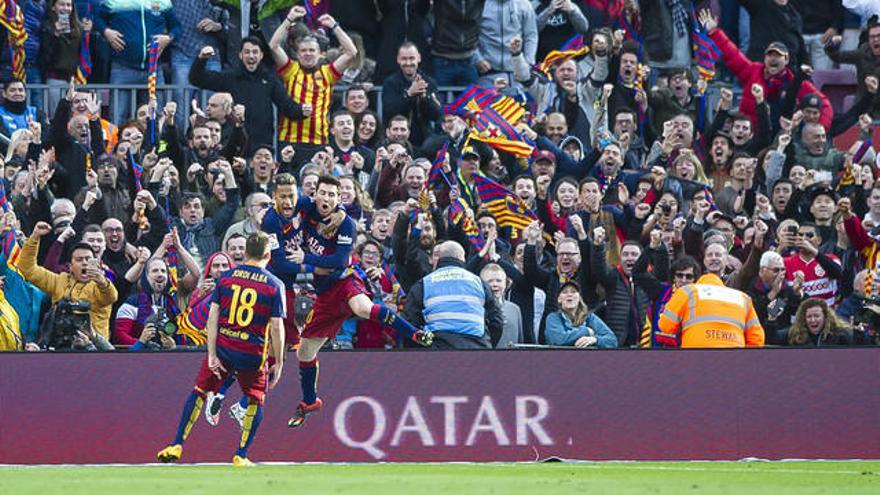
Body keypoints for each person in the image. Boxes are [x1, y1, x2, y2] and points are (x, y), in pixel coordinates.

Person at [286, 176, 431, 428]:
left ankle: (414, 333)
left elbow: (340, 261)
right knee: (305, 352)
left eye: (334, 195)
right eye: (324, 193)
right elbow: (286, 205)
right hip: (324, 295)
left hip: (345, 279)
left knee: (363, 308)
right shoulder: (307, 208)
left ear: (338, 198)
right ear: (316, 194)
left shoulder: (346, 225)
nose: (328, 199)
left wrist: (305, 258)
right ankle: (310, 401)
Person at [156, 232, 286, 467]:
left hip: (224, 348)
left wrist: (212, 353)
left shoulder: (225, 279)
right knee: (256, 399)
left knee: (199, 391)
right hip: (252, 354)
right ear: (268, 254)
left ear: (244, 253)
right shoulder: (274, 285)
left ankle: (176, 444)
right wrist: (279, 361)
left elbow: (213, 317)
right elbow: (276, 327)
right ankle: (241, 455)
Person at [269, 7, 357, 168]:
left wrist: (334, 26)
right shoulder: (291, 69)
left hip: (319, 142)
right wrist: (289, 20)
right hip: (290, 140)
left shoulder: (327, 72)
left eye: (311, 50)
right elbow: (273, 46)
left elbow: (352, 52)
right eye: (303, 50)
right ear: (297, 53)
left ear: (320, 54)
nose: (307, 54)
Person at [189, 38, 307, 155]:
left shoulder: (270, 79)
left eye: (255, 52)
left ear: (261, 55)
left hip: (261, 146)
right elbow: (197, 79)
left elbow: (286, 105)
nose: (251, 56)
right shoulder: (231, 77)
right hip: (233, 144)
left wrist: (302, 111)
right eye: (247, 52)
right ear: (240, 55)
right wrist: (201, 59)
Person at [20, 222, 118, 342]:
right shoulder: (59, 281)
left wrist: (102, 282)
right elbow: (28, 269)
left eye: (88, 259)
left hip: (93, 350)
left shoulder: (101, 285)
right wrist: (35, 237)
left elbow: (111, 297)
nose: (85, 263)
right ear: (70, 266)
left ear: (96, 263)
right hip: (60, 346)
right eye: (79, 259)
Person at [403, 240, 504, 349]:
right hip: (477, 349)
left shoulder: (423, 284)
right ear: (462, 258)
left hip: (438, 351)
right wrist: (488, 346)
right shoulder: (479, 283)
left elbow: (409, 324)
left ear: (439, 259)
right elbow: (496, 322)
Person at [657, 271, 765, 348]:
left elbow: (665, 326)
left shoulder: (688, 291)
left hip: (694, 357)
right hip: (734, 358)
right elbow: (757, 339)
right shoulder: (743, 298)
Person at [545, 280, 616, 348]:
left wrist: (595, 339)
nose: (569, 294)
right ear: (559, 299)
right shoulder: (553, 318)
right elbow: (558, 340)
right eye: (565, 292)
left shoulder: (590, 317)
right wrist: (587, 331)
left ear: (579, 298)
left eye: (573, 292)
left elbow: (612, 341)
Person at [479, 263, 524, 349]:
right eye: (490, 281)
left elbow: (520, 341)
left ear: (506, 283)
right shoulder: (477, 309)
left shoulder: (515, 309)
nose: (495, 284)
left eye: (499, 281)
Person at [786, 298, 853, 347]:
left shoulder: (842, 335)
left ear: (826, 317)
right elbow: (776, 336)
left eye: (816, 316)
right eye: (809, 316)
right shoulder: (794, 334)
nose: (813, 320)